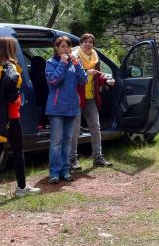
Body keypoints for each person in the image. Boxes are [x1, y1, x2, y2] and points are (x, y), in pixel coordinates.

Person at [0, 36, 41, 200]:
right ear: (9, 50)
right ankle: (21, 187)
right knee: (18, 150)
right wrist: (13, 95)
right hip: (10, 116)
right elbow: (12, 81)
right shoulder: (10, 67)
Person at [46, 35, 87, 184]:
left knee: (67, 141)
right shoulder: (50, 63)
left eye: (68, 46)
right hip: (56, 109)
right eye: (62, 46)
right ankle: (55, 172)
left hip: (72, 108)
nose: (65, 49)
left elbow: (84, 80)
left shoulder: (73, 63)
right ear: (56, 48)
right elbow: (53, 81)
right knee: (56, 141)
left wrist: (77, 65)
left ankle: (66, 170)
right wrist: (62, 64)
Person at [69, 33, 114, 169]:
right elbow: (70, 76)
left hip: (91, 97)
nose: (88, 44)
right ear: (81, 43)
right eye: (85, 42)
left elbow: (98, 76)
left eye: (90, 42)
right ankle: (72, 160)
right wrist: (86, 73)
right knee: (75, 130)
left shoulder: (95, 57)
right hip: (76, 97)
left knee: (96, 127)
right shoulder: (75, 56)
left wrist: (106, 80)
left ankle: (98, 157)